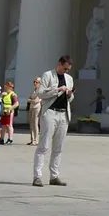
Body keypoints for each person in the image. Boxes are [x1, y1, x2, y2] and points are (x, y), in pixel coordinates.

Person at [33, 55, 75, 188]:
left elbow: (71, 98)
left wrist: (69, 94)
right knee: (43, 145)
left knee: (58, 147)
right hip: (50, 112)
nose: (66, 71)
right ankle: (37, 176)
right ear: (59, 64)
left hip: (64, 113)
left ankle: (54, 176)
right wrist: (57, 90)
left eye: (68, 69)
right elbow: (41, 93)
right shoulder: (48, 75)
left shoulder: (69, 79)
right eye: (65, 68)